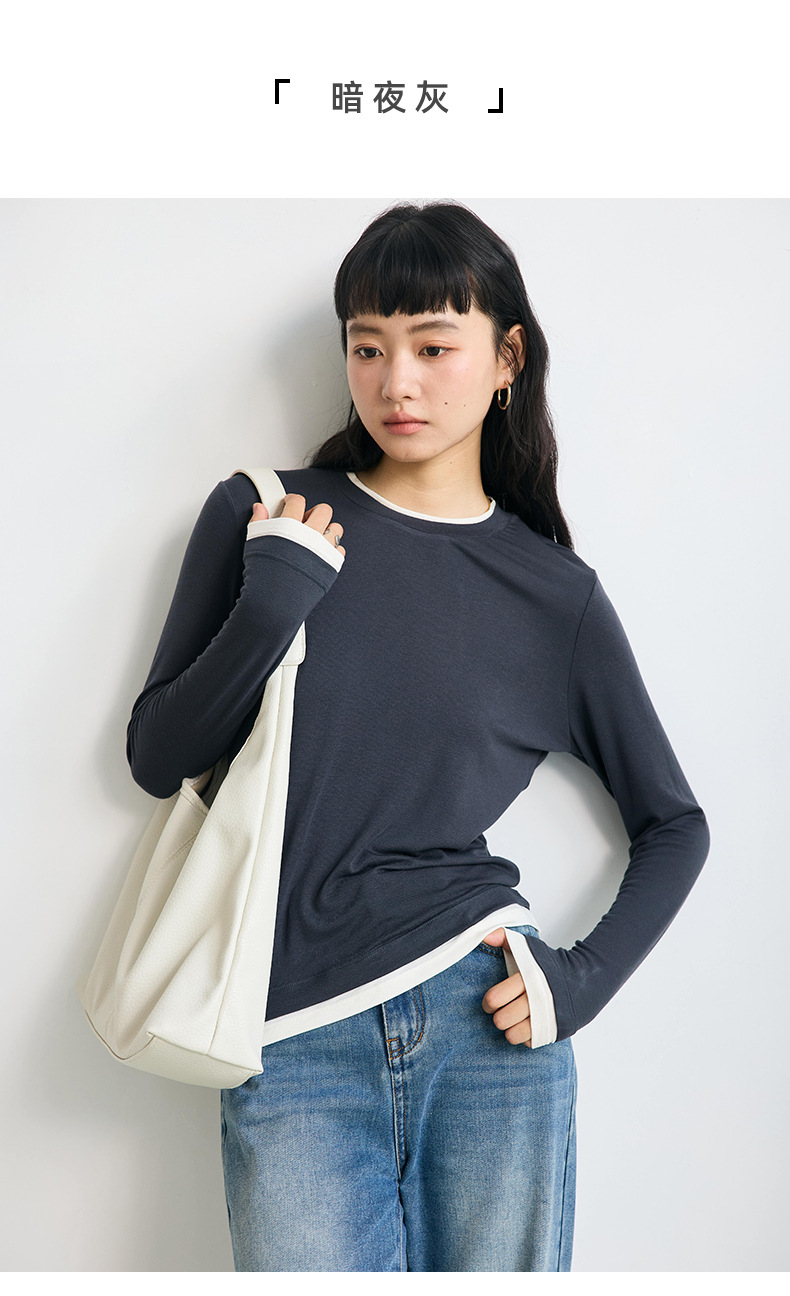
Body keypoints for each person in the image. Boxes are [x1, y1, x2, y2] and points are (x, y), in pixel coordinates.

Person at [126, 201, 710, 1272]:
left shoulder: (555, 595)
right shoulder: (267, 512)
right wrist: (270, 606)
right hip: (290, 1035)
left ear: (507, 358)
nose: (397, 382)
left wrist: (578, 983)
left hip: (487, 1024)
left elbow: (675, 824)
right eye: (369, 348)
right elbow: (158, 759)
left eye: (434, 348)